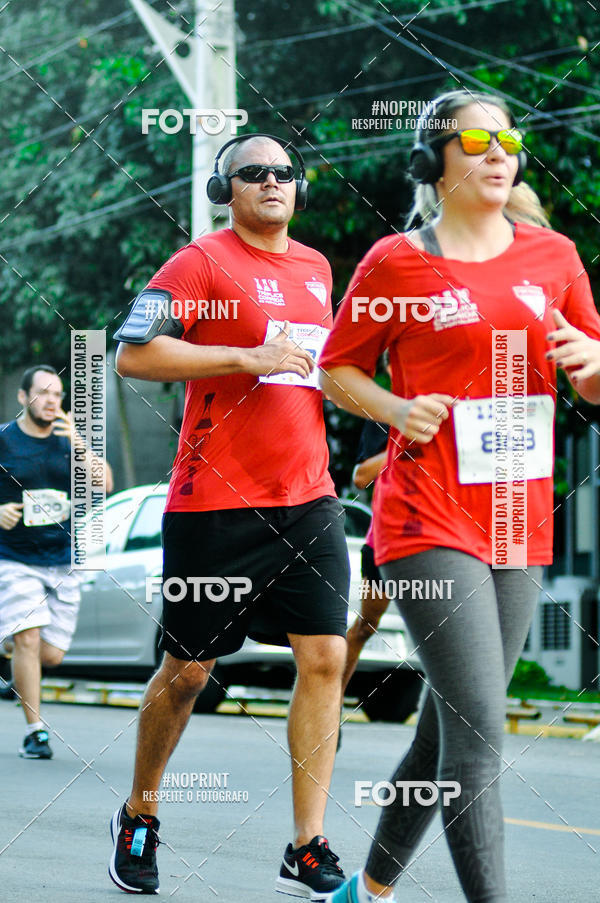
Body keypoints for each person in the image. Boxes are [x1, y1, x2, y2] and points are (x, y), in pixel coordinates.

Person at [319, 90, 600, 903]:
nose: (498, 151)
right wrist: (395, 408)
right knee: (477, 737)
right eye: (476, 140)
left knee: (447, 725)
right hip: (425, 514)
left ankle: (364, 890)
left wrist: (594, 362)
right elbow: (337, 369)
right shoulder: (396, 261)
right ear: (433, 161)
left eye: (507, 138)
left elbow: (590, 374)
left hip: (516, 517)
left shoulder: (555, 255)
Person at [110, 134, 350, 899]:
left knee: (325, 658)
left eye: (284, 172)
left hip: (309, 498)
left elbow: (320, 371)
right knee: (188, 672)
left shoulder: (317, 268)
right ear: (228, 190)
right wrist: (244, 357)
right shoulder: (200, 263)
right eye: (254, 173)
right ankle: (140, 812)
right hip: (215, 501)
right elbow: (133, 355)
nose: (272, 182)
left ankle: (306, 844)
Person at [0, 365, 113, 758]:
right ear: (23, 397)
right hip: (13, 558)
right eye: (43, 392)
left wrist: (78, 442)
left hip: (62, 559)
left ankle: (10, 644)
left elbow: (105, 483)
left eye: (57, 394)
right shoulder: (4, 440)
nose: (51, 401)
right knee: (28, 637)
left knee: (51, 655)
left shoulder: (69, 442)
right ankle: (36, 733)